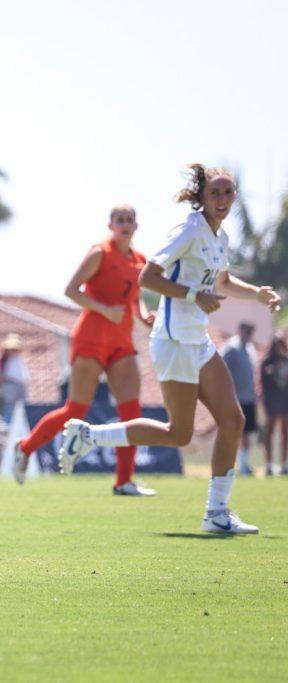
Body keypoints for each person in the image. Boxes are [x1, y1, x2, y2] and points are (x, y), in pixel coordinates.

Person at [61, 165, 281, 534]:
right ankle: (89, 436)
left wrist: (256, 293)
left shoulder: (218, 236)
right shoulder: (190, 229)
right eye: (216, 193)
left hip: (197, 338)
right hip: (174, 338)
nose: (222, 199)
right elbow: (149, 276)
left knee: (234, 420)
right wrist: (195, 295)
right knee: (179, 433)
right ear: (202, 197)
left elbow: (223, 281)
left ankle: (217, 512)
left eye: (228, 193)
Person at [13, 205, 156, 494]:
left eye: (130, 220)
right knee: (76, 410)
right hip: (91, 339)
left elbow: (135, 299)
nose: (125, 225)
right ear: (110, 225)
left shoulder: (141, 260)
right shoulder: (100, 253)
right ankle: (25, 447)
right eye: (120, 220)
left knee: (132, 410)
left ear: (136, 226)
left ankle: (124, 481)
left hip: (121, 342)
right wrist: (105, 309)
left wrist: (144, 315)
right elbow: (71, 291)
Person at [221, 321, 258, 475]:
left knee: (246, 432)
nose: (248, 334)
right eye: (246, 331)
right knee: (232, 431)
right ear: (240, 330)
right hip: (234, 398)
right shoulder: (231, 348)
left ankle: (243, 465)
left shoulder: (250, 348)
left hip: (248, 398)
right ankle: (227, 464)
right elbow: (221, 369)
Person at [260, 337, 288, 476]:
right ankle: (269, 464)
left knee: (285, 433)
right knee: (269, 433)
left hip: (285, 402)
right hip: (272, 403)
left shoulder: (287, 361)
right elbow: (264, 384)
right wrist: (273, 370)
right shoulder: (267, 362)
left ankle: (284, 463)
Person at [0, 333, 29, 422]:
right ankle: (7, 423)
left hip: (11, 388)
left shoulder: (15, 361)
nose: (12, 352)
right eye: (11, 349)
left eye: (15, 350)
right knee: (9, 397)